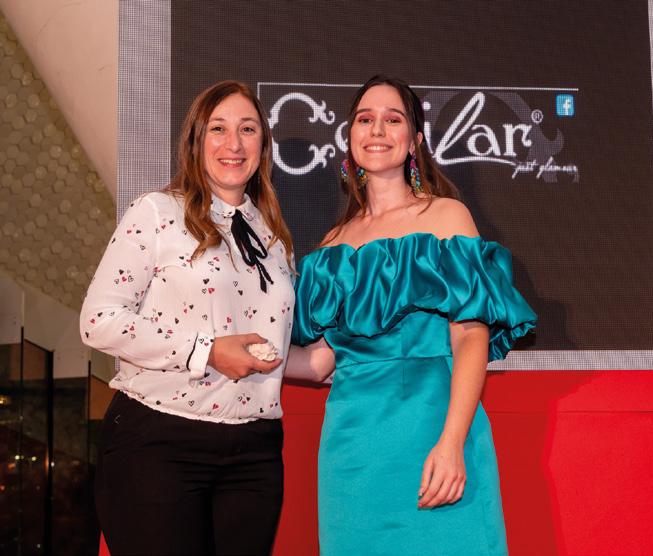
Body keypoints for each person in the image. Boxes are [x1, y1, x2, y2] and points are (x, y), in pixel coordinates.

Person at [286, 75, 537, 555]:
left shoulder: (446, 217)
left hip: (433, 428)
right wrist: (239, 352)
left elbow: (470, 336)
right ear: (350, 136)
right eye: (365, 119)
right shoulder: (332, 246)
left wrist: (453, 442)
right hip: (353, 451)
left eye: (393, 119)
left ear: (415, 140)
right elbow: (320, 363)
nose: (377, 130)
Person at [81, 80, 295, 556]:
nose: (233, 143)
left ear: (264, 145)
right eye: (218, 128)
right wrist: (207, 351)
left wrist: (341, 358)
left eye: (248, 129)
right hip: (159, 444)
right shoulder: (157, 212)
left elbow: (263, 346)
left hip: (255, 453)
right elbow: (99, 319)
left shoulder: (272, 235)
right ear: (196, 141)